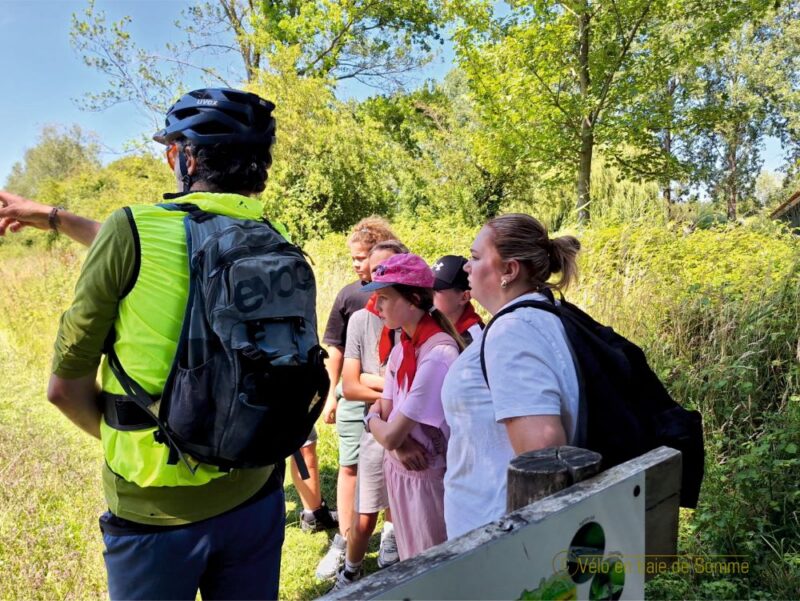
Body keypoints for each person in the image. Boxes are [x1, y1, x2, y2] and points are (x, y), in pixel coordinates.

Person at [0, 88, 294, 600]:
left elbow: (63, 390)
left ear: (185, 157)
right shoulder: (271, 232)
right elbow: (177, 243)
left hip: (154, 509)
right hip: (256, 487)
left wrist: (166, 435)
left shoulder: (131, 229)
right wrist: (54, 216)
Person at [440, 213, 581, 540]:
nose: (466, 267)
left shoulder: (511, 333)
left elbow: (543, 451)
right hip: (492, 531)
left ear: (509, 270)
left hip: (496, 536)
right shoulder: (540, 315)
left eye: (475, 258)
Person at [361, 253, 463, 562]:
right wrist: (397, 443)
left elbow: (386, 428)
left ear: (414, 299)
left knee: (434, 566)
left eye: (385, 298)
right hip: (402, 472)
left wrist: (386, 433)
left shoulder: (438, 355)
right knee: (411, 558)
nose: (377, 307)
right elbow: (381, 411)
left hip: (428, 481)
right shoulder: (402, 348)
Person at [316, 217, 399, 580]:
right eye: (353, 259)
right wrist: (333, 395)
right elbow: (335, 350)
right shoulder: (352, 299)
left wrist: (380, 383)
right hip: (356, 402)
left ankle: (391, 539)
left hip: (392, 405)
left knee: (397, 473)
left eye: (362, 257)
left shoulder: (404, 300)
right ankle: (344, 539)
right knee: (350, 467)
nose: (357, 265)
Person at [332, 240, 412, 589]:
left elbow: (422, 376)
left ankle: (395, 548)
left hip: (409, 425)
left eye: (389, 270)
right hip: (375, 426)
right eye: (376, 270)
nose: (380, 278)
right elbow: (350, 386)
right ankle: (350, 569)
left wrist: (371, 379)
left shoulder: (413, 321)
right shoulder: (363, 319)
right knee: (366, 511)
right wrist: (393, 387)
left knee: (404, 503)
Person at [432, 254, 484, 345]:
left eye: (436, 290)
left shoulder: (476, 340)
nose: (428, 294)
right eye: (427, 288)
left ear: (464, 297)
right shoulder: (430, 319)